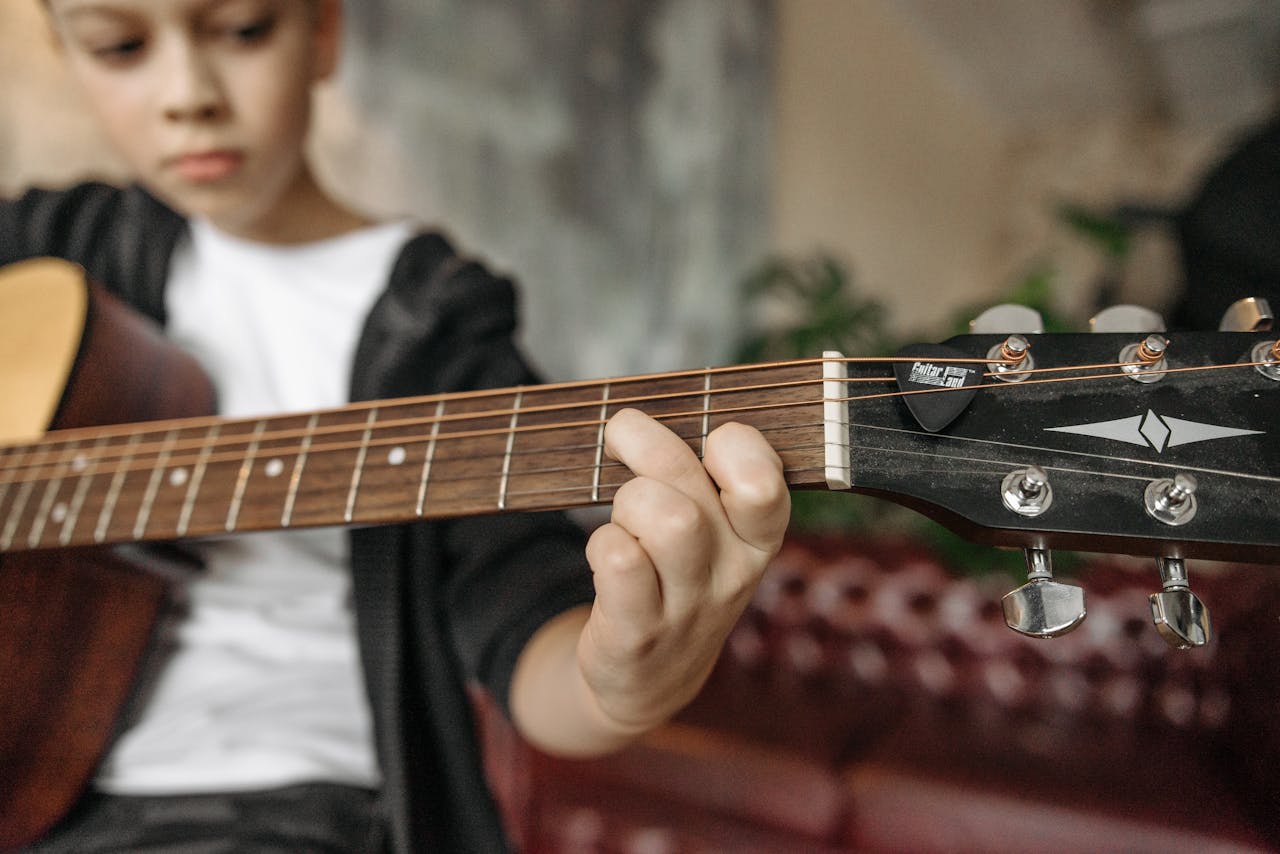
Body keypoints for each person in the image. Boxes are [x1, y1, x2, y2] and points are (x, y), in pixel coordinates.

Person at [0, 0, 791, 851]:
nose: (187, 94)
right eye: (120, 48)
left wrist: (624, 683)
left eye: (241, 30)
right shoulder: (55, 247)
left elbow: (529, 624)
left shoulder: (436, 325)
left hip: (288, 807)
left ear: (323, 34)